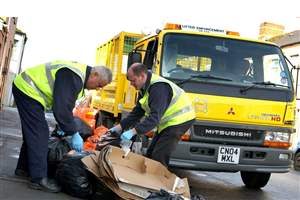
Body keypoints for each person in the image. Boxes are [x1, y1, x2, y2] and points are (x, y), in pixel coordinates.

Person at [12, 60, 112, 192]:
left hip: (26, 89)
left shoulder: (78, 77)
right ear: (95, 74)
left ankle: (23, 168)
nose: (98, 89)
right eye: (99, 85)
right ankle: (38, 179)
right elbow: (61, 109)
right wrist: (73, 133)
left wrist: (64, 126)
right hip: (28, 89)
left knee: (33, 132)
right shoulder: (73, 76)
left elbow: (66, 105)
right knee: (40, 134)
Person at [110, 62, 195, 167]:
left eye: (133, 81)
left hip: (180, 120)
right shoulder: (144, 88)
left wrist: (133, 131)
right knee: (150, 153)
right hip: (168, 122)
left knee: (159, 157)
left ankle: (159, 181)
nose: (131, 84)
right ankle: (150, 179)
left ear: (142, 76)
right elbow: (137, 113)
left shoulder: (158, 88)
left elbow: (154, 118)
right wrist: (119, 127)